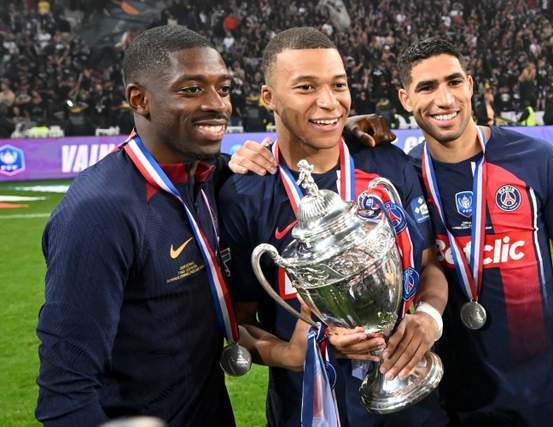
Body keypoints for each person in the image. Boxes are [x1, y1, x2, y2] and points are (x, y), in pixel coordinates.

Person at [218, 27, 448, 427]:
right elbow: (238, 323)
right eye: (306, 87)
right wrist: (291, 354)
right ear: (268, 97)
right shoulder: (244, 195)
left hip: (414, 404)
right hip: (308, 411)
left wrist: (429, 316)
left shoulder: (388, 164)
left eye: (338, 85)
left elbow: (429, 263)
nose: (329, 102)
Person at [35, 25, 249, 426]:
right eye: (191, 89)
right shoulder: (100, 212)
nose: (217, 104)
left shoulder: (207, 175)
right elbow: (65, 390)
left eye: (223, 89)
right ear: (140, 99)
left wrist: (348, 130)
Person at [395, 37, 553, 426]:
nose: (444, 99)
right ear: (405, 99)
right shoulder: (405, 177)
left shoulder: (534, 159)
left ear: (470, 85)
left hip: (547, 387)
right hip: (456, 392)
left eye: (454, 82)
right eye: (426, 87)